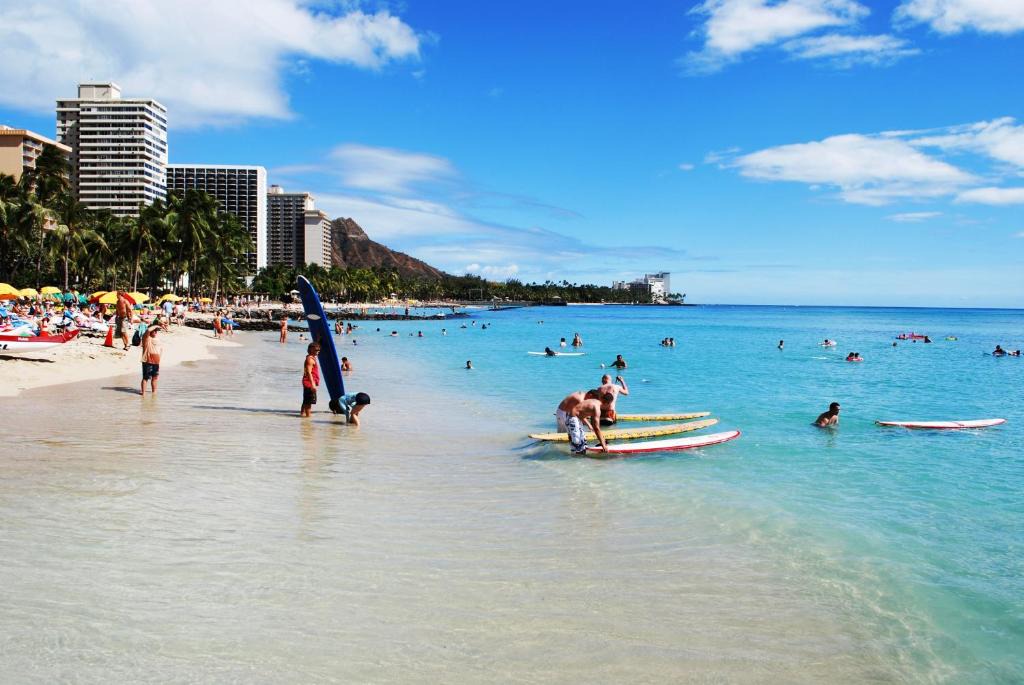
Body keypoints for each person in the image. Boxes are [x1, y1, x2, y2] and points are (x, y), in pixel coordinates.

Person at [566, 390, 608, 455]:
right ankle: (575, 459)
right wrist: (603, 445)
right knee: (577, 442)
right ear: (607, 403)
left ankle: (581, 460)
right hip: (573, 419)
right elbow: (596, 428)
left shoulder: (594, 401)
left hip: (576, 418)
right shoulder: (596, 408)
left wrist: (589, 425)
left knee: (583, 443)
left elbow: (580, 411)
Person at [140, 325, 162, 396]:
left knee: (155, 378)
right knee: (145, 378)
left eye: (156, 331)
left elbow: (160, 349)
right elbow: (148, 330)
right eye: (154, 330)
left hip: (156, 362)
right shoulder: (146, 338)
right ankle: (143, 393)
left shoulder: (158, 339)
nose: (155, 332)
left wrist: (159, 358)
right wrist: (156, 325)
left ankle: (154, 393)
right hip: (147, 361)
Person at [300, 342, 320, 417]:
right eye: (316, 350)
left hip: (308, 382)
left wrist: (318, 339)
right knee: (308, 401)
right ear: (311, 350)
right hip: (309, 382)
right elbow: (309, 372)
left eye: (319, 350)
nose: (318, 352)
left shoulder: (310, 357)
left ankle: (302, 414)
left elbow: (315, 345)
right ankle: (308, 418)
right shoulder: (310, 360)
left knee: (306, 399)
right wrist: (313, 384)